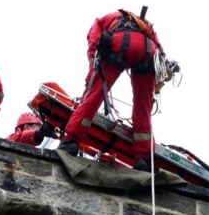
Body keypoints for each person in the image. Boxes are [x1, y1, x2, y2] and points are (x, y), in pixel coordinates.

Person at [57, 9, 165, 171]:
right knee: (143, 108)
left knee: (93, 96)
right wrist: (154, 85)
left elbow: (94, 34)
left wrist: (93, 60)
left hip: (120, 43)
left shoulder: (110, 18)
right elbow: (161, 53)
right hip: (149, 51)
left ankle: (70, 140)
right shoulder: (146, 25)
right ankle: (143, 158)